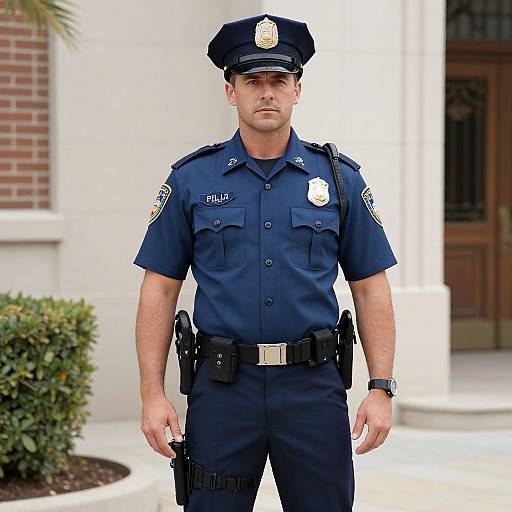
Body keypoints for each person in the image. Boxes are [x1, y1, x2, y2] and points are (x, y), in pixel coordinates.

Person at [133, 13, 398, 512]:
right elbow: (159, 289)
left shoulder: (340, 181)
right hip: (222, 391)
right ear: (231, 91)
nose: (267, 93)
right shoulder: (192, 180)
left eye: (278, 80)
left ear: (298, 88)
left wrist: (381, 388)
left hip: (313, 390)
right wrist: (152, 394)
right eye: (253, 81)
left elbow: (370, 287)